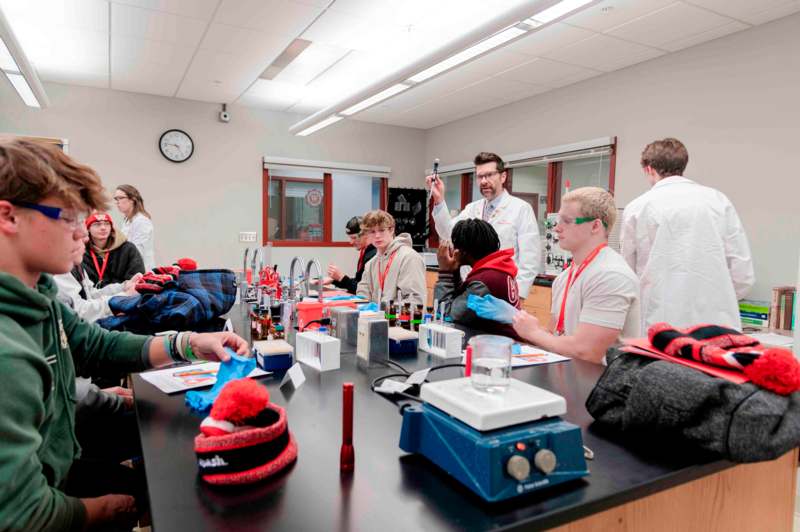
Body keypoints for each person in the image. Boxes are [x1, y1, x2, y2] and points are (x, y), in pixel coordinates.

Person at [0, 137, 248, 530]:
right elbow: (20, 515)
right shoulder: (7, 350)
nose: (84, 234)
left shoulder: (39, 296)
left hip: (62, 454)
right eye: (68, 218)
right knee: (173, 485)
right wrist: (102, 511)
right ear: (9, 217)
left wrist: (188, 343)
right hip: (43, 497)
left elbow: (93, 344)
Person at [620, 138, 754, 332]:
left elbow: (628, 273)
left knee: (662, 363)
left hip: (659, 323)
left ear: (648, 169)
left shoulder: (638, 207)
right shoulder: (718, 201)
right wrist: (718, 298)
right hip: (717, 322)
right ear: (682, 166)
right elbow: (743, 275)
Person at [512, 187, 640, 364]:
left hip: (601, 386)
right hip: (569, 378)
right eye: (558, 220)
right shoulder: (565, 277)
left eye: (566, 221)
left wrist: (533, 332)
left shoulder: (611, 275)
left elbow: (587, 352)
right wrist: (514, 322)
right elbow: (556, 334)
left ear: (595, 226)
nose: (557, 228)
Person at [426, 152, 540, 299]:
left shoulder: (520, 209)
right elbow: (448, 234)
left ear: (503, 176)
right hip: (470, 287)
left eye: (489, 175)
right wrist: (439, 198)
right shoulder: (472, 209)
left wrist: (517, 296)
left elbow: (530, 259)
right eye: (480, 176)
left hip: (502, 291)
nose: (484, 181)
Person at [434, 218, 521, 340]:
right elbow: (461, 302)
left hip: (496, 350)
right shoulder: (498, 270)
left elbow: (446, 316)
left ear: (463, 251)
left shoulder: (484, 281)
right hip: (503, 343)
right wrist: (454, 271)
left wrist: (445, 272)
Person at [356, 209, 427, 306]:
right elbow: (362, 295)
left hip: (399, 320)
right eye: (372, 231)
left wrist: (382, 311)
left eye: (382, 230)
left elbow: (415, 301)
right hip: (375, 319)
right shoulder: (371, 264)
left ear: (391, 230)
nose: (377, 236)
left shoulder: (409, 258)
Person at [83, 211, 145, 288]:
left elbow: (136, 278)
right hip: (92, 298)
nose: (103, 228)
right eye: (97, 224)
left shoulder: (128, 249)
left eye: (107, 224)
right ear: (88, 229)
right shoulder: (82, 252)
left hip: (125, 296)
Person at [325, 216, 376, 294]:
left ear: (366, 235)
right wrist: (334, 280)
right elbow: (358, 282)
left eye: (354, 238)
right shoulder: (365, 252)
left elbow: (363, 290)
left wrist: (341, 277)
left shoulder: (373, 256)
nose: (351, 242)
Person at [114, 184, 155, 271]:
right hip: (130, 269)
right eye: (116, 199)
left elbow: (137, 251)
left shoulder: (141, 221)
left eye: (121, 198)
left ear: (132, 200)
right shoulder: (127, 221)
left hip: (141, 270)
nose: (117, 202)